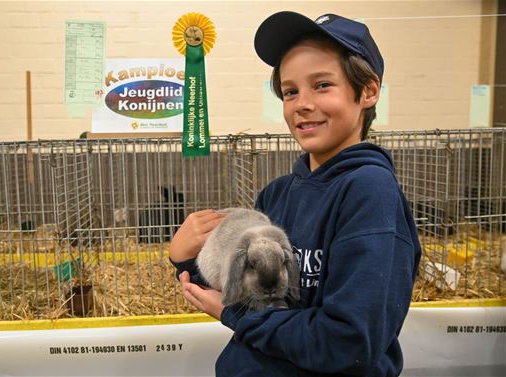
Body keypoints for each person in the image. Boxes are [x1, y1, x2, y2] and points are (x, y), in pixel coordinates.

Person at [169, 11, 421, 377]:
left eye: (322, 85)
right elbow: (239, 286)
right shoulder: (276, 195)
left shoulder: (369, 193)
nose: (302, 103)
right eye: (290, 91)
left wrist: (234, 314)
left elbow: (348, 343)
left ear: (368, 91)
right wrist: (184, 258)